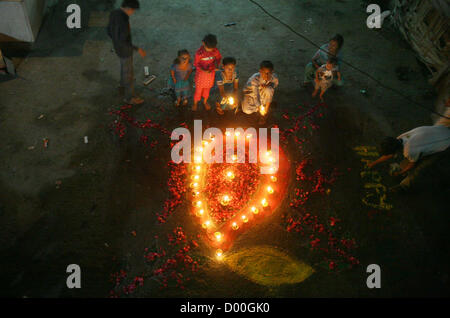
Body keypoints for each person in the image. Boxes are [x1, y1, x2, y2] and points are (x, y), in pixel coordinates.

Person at [368, 125, 450, 191]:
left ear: (394, 151)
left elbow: (412, 165)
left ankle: (404, 186)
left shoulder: (409, 150)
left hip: (445, 144)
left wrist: (401, 173)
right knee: (413, 157)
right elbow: (390, 155)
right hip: (442, 130)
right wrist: (374, 163)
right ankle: (403, 171)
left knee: (421, 167)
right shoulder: (401, 138)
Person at [107, 0, 147, 105]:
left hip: (117, 48)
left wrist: (115, 42)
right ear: (128, 8)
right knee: (128, 74)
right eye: (133, 10)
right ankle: (129, 98)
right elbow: (123, 40)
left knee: (124, 69)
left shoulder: (114, 13)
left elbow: (109, 31)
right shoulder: (123, 20)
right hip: (125, 50)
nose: (132, 13)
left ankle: (122, 87)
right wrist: (137, 49)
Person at [193, 34, 222, 111]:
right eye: (208, 48)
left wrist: (216, 65)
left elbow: (218, 58)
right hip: (201, 76)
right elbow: (196, 64)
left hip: (210, 76)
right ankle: (195, 103)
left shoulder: (215, 51)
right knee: (198, 92)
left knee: (207, 90)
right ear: (203, 43)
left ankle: (205, 101)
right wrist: (204, 70)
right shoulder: (199, 53)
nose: (210, 50)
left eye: (211, 49)